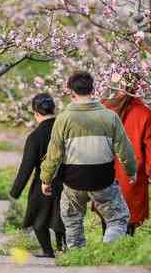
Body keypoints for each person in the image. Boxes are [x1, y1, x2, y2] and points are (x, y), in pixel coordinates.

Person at [40, 71, 137, 249]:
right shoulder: (110, 116)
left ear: (71, 92)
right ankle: (108, 250)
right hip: (103, 180)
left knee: (72, 220)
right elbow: (125, 150)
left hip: (74, 181)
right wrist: (131, 172)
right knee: (117, 218)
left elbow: (54, 154)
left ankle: (78, 256)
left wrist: (46, 179)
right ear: (93, 90)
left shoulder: (63, 119)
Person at [100, 75, 151, 236]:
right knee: (130, 216)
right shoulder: (145, 113)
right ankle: (124, 249)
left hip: (104, 170)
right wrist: (150, 170)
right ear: (136, 88)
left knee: (108, 214)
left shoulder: (104, 108)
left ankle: (107, 250)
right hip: (132, 173)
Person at [9, 93, 66, 258]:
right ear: (54, 109)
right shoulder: (65, 131)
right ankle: (63, 248)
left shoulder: (35, 137)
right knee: (61, 218)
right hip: (66, 180)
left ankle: (48, 251)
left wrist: (15, 191)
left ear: (35, 112)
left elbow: (26, 167)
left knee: (38, 221)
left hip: (43, 184)